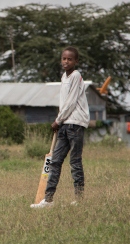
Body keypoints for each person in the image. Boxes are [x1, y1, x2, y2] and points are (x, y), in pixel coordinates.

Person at [31, 46, 90, 208]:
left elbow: (71, 102)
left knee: (75, 161)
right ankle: (48, 199)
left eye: (70, 59)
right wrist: (60, 121)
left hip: (75, 124)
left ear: (76, 61)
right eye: (64, 58)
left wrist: (58, 120)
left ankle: (79, 199)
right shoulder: (64, 76)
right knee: (55, 161)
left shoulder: (76, 76)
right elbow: (63, 103)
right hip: (64, 123)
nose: (66, 61)